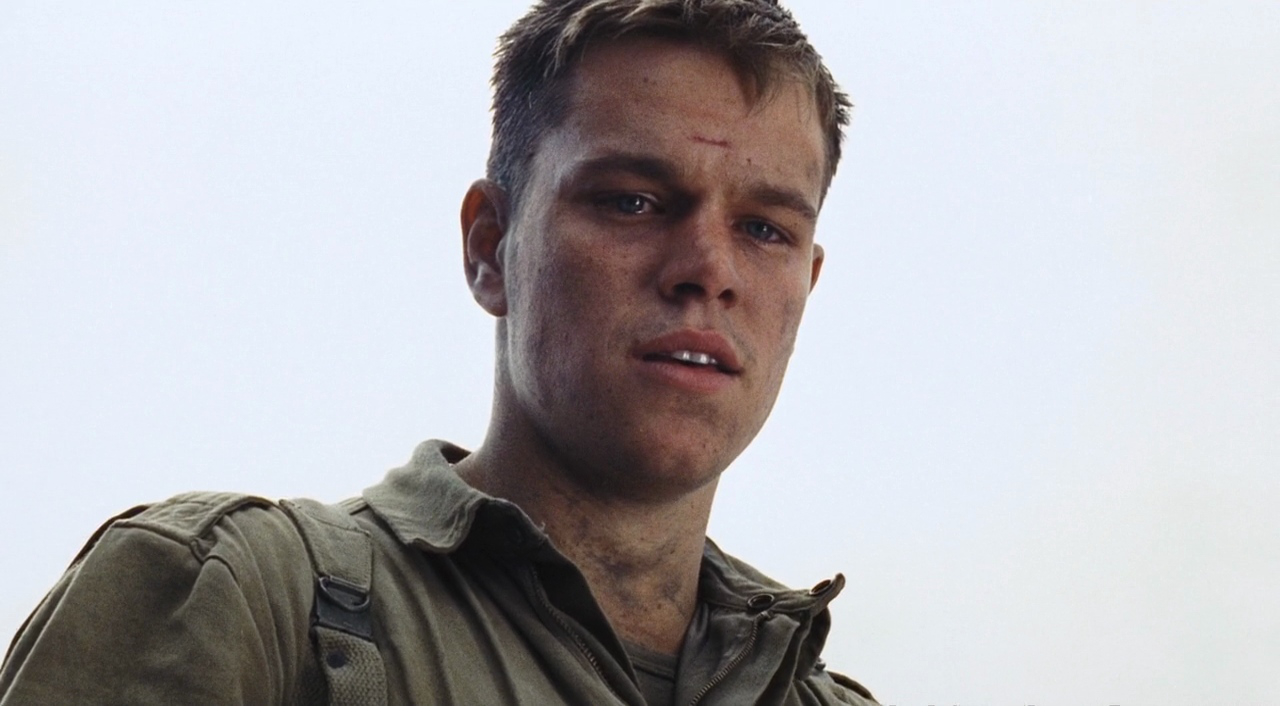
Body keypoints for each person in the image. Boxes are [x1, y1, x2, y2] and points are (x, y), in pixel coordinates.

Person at [0, 1, 877, 704]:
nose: (708, 270)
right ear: (490, 247)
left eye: (765, 229)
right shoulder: (236, 597)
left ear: (808, 283)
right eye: (632, 202)